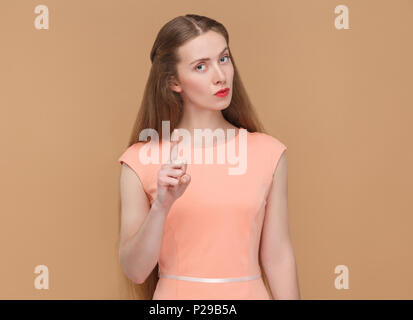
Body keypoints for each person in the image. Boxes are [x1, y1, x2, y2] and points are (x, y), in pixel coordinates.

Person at [118, 14, 300, 299]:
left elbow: (278, 257)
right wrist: (161, 207)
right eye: (201, 66)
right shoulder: (140, 160)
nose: (220, 75)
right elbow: (135, 270)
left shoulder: (268, 152)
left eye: (224, 59)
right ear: (173, 82)